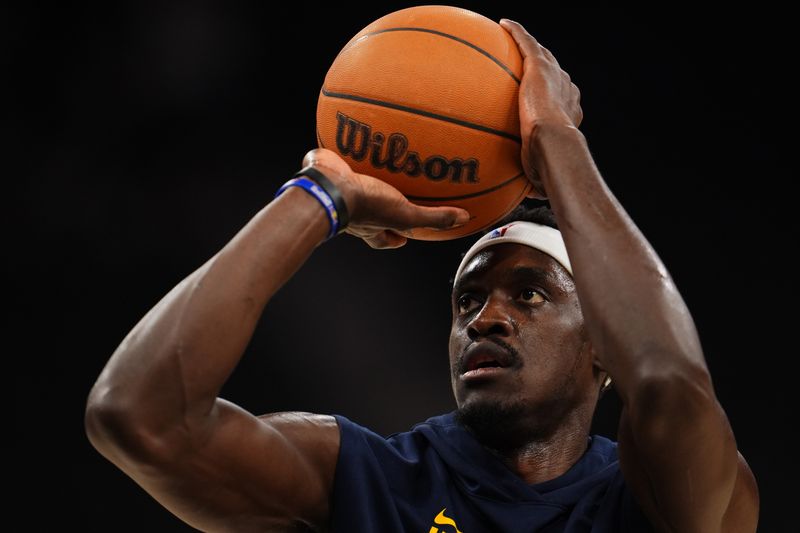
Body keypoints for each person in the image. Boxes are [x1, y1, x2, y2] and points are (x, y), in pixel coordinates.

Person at [85, 18, 759, 532]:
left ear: (602, 351)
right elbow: (138, 416)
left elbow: (669, 381)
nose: (486, 318)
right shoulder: (374, 478)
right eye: (468, 300)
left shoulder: (654, 495)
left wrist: (555, 138)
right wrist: (321, 195)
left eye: (530, 293)